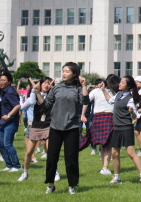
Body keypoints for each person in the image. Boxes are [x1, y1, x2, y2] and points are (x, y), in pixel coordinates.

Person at [32, 62, 89, 195]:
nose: (63, 73)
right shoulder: (56, 88)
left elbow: (85, 101)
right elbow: (45, 105)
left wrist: (84, 85)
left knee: (71, 158)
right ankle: (51, 185)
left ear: (75, 74)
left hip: (72, 127)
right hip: (55, 127)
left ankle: (72, 185)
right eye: (63, 71)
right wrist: (37, 92)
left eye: (67, 71)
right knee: (52, 157)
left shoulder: (78, 88)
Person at [101, 75, 141, 185]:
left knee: (131, 153)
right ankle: (117, 177)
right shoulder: (118, 95)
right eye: (120, 82)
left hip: (126, 127)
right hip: (116, 128)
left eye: (123, 83)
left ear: (128, 86)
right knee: (114, 153)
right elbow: (109, 100)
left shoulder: (131, 98)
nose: (120, 84)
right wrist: (104, 90)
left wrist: (132, 111)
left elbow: (135, 116)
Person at [18, 77, 56, 182]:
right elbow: (28, 104)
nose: (46, 85)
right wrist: (34, 91)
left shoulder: (52, 96)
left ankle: (54, 172)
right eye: (44, 83)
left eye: (48, 83)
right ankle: (25, 172)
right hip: (36, 125)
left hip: (49, 125)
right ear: (40, 84)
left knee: (50, 150)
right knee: (29, 151)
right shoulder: (33, 94)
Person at [80, 74, 118, 175]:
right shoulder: (95, 91)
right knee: (102, 144)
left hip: (109, 116)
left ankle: (105, 167)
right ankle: (104, 167)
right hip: (98, 116)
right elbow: (86, 101)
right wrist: (83, 114)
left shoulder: (114, 92)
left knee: (108, 144)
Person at [0, 71, 22, 172]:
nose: (1, 82)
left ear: (9, 82)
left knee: (7, 144)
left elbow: (17, 105)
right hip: (3, 123)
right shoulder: (5, 90)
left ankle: (17, 166)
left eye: (3, 80)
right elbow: (0, 82)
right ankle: (9, 165)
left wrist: (8, 115)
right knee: (0, 145)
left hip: (10, 122)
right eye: (0, 80)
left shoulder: (10, 91)